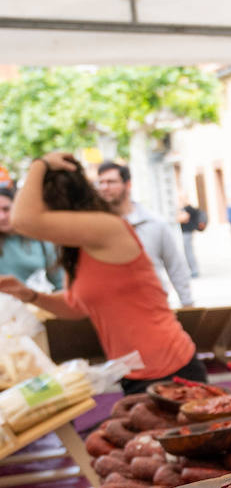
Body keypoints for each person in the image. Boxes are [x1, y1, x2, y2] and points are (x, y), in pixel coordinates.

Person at [0, 152, 207, 393]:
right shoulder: (78, 248)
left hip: (172, 368)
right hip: (132, 373)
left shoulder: (107, 227)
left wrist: (39, 163)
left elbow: (22, 220)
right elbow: (76, 306)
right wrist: (30, 295)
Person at [95, 161, 194, 307]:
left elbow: (175, 267)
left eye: (111, 182)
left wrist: (188, 304)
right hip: (110, 311)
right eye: (101, 182)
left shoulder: (155, 223)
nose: (104, 187)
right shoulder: (93, 227)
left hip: (152, 308)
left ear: (127, 185)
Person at [0, 186, 63, 290]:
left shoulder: (41, 239)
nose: (1, 217)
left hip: (36, 302)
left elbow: (59, 281)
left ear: (18, 207)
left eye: (6, 209)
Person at [174, 191, 206, 278]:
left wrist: (178, 216)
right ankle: (192, 270)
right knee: (187, 251)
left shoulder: (188, 208)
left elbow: (181, 218)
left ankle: (194, 270)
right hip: (185, 232)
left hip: (187, 232)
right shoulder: (184, 208)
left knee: (188, 252)